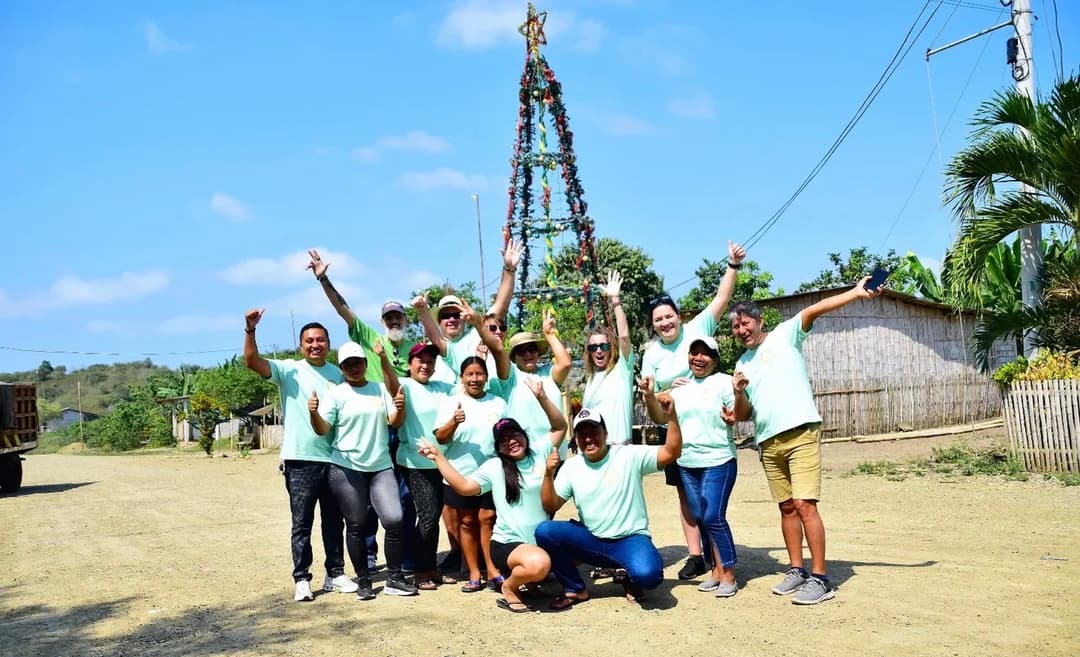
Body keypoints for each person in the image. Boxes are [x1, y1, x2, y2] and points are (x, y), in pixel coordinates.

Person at [730, 277, 883, 605]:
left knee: (804, 504)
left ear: (760, 322)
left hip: (801, 431)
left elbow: (815, 309)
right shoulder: (742, 364)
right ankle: (796, 569)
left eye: (745, 323)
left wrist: (856, 292)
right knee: (786, 507)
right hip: (768, 441)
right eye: (735, 327)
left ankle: (821, 577)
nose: (741, 330)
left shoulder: (785, 334)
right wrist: (738, 391)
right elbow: (743, 414)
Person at [306, 249, 417, 575]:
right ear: (382, 322)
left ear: (405, 321)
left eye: (399, 317)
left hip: (404, 428)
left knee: (403, 499)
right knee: (364, 500)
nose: (394, 321)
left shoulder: (415, 351)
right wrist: (324, 278)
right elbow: (344, 310)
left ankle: (405, 560)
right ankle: (366, 557)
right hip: (371, 427)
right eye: (389, 318)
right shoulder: (369, 338)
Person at [640, 240, 746, 581]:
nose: (665, 322)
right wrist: (670, 391)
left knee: (708, 498)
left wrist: (732, 264)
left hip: (707, 426)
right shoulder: (652, 352)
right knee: (686, 494)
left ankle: (717, 559)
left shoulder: (698, 329)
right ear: (653, 325)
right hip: (674, 426)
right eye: (658, 320)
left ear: (679, 316)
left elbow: (721, 299)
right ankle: (696, 554)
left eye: (669, 316)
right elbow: (651, 394)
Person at [418, 381, 567, 613]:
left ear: (524, 435)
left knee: (577, 550)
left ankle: (531, 579)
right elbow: (465, 486)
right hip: (508, 544)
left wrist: (542, 399)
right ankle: (510, 586)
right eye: (504, 439)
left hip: (539, 539)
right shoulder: (495, 467)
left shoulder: (539, 452)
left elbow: (559, 427)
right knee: (540, 563)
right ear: (498, 447)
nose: (511, 441)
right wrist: (438, 458)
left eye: (515, 434)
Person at [242, 309, 353, 601]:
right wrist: (250, 330)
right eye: (309, 341)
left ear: (329, 343)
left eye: (320, 340)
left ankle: (335, 573)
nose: (315, 345)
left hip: (334, 459)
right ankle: (302, 578)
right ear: (300, 345)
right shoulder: (288, 369)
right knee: (301, 522)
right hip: (300, 459)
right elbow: (252, 362)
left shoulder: (340, 376)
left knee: (334, 521)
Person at [536, 402, 683, 609]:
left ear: (605, 433)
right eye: (582, 434)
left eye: (593, 431)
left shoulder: (628, 455)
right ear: (576, 440)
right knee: (545, 531)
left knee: (648, 576)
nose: (588, 439)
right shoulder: (572, 466)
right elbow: (551, 505)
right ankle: (575, 588)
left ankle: (630, 576)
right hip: (592, 538)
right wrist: (548, 475)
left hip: (629, 539)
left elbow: (671, 452)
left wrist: (672, 417)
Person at [641, 336, 751, 598]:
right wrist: (648, 396)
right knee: (701, 517)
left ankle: (729, 573)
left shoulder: (725, 382)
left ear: (715, 359)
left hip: (719, 461)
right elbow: (660, 417)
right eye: (694, 353)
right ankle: (714, 570)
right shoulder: (680, 388)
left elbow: (740, 413)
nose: (698, 358)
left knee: (713, 516)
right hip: (687, 464)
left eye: (705, 354)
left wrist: (736, 399)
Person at [308, 341, 418, 600]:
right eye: (348, 364)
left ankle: (393, 578)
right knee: (356, 524)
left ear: (365, 364)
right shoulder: (336, 394)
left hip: (380, 466)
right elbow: (323, 429)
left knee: (394, 520)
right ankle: (365, 581)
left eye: (358, 362)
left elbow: (394, 421)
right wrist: (313, 413)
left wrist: (400, 408)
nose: (354, 367)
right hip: (347, 468)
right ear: (342, 368)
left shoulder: (379, 390)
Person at [373, 340, 455, 591]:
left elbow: (469, 385)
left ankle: (431, 568)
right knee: (428, 516)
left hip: (442, 463)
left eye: (431, 362)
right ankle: (420, 571)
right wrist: (383, 360)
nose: (426, 366)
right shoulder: (405, 385)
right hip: (415, 461)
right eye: (420, 361)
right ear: (409, 365)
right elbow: (392, 384)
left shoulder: (444, 388)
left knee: (432, 517)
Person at [433, 336, 510, 593]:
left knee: (488, 519)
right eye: (469, 374)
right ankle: (474, 572)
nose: (474, 379)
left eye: (479, 374)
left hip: (491, 476)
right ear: (462, 377)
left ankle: (493, 570)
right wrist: (454, 421)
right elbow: (440, 437)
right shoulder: (451, 402)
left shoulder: (498, 403)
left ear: (486, 377)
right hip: (459, 473)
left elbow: (507, 435)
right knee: (466, 522)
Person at [414, 237, 524, 381]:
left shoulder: (476, 335)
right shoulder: (430, 351)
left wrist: (509, 269)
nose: (452, 319)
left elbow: (500, 307)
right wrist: (422, 310)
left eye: (456, 314)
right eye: (446, 316)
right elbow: (435, 338)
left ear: (464, 317)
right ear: (438, 321)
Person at [488, 309, 571, 458]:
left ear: (538, 352)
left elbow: (565, 363)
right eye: (521, 351)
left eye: (532, 349)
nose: (527, 354)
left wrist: (549, 335)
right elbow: (499, 352)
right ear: (513, 356)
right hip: (526, 456)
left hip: (556, 453)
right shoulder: (511, 377)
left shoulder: (549, 374)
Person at [582, 271, 634, 446]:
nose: (598, 351)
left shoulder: (622, 370)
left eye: (603, 346)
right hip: (594, 453)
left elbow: (624, 337)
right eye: (593, 347)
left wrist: (615, 301)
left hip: (620, 449)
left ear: (611, 348)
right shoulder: (590, 379)